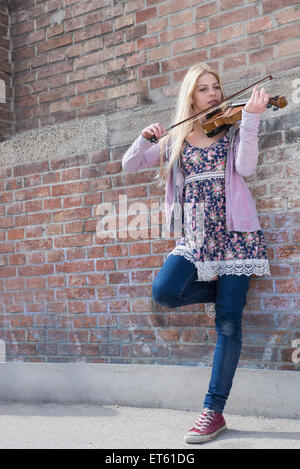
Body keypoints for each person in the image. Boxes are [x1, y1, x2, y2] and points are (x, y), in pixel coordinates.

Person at [122, 63, 271, 444]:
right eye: (204, 89)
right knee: (165, 291)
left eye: (216, 87)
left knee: (228, 324)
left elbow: (246, 168)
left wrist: (251, 119)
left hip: (236, 236)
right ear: (191, 97)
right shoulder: (176, 140)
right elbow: (130, 164)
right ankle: (224, 297)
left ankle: (213, 411)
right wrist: (144, 138)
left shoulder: (234, 128)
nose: (214, 94)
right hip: (196, 237)